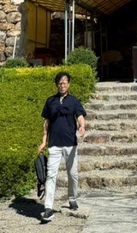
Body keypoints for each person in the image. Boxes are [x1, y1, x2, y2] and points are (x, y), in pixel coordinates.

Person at [37, 71, 87, 223]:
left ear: (68, 85)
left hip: (70, 144)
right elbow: (46, 123)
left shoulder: (73, 101)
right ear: (56, 84)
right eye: (60, 83)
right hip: (54, 145)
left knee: (73, 174)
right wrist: (44, 141)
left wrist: (82, 126)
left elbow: (80, 116)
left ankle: (72, 198)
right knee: (51, 175)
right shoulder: (50, 101)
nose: (62, 85)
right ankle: (48, 208)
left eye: (65, 83)